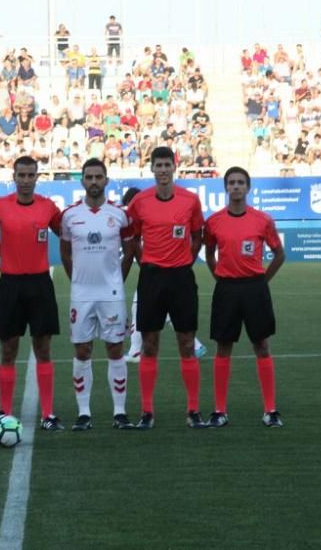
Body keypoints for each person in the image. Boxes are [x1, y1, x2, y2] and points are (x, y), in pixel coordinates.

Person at [125, 146, 206, 429]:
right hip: (152, 278)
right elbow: (132, 236)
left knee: (186, 343)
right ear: (151, 169)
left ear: (174, 167)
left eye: (166, 165)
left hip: (181, 278)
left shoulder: (190, 200)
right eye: (158, 165)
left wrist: (186, 260)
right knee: (149, 344)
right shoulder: (140, 202)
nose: (162, 170)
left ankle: (193, 411)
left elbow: (197, 234)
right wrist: (143, 260)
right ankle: (147, 412)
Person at [0, 156, 65, 430]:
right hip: (10, 285)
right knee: (8, 350)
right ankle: (4, 411)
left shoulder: (48, 207)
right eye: (22, 174)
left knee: (43, 349)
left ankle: (48, 413)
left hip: (40, 284)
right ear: (14, 176)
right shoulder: (1, 206)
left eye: (31, 175)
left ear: (37, 177)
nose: (26, 180)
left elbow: (65, 232)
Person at [204, 167, 285, 428]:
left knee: (261, 346)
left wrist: (262, 281)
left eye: (240, 183)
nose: (236, 187)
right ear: (226, 187)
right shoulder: (214, 221)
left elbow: (279, 254)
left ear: (248, 188)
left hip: (255, 289)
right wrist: (220, 278)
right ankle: (219, 411)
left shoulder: (262, 220)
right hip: (226, 289)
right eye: (231, 183)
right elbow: (208, 254)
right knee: (223, 347)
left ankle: (270, 410)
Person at [59, 159, 137, 430]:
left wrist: (118, 279)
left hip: (111, 293)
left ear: (106, 180)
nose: (94, 181)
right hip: (81, 294)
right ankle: (84, 413)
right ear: (82, 181)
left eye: (98, 177)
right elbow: (65, 252)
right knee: (82, 350)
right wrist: (76, 280)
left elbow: (130, 251)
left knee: (115, 349)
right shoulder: (69, 215)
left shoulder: (119, 214)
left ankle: (119, 412)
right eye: (89, 177)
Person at [123, 188, 206, 364]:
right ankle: (137, 350)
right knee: (158, 311)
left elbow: (197, 236)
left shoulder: (152, 216)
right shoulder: (144, 220)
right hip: (152, 274)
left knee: (141, 310)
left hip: (159, 274)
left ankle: (136, 351)